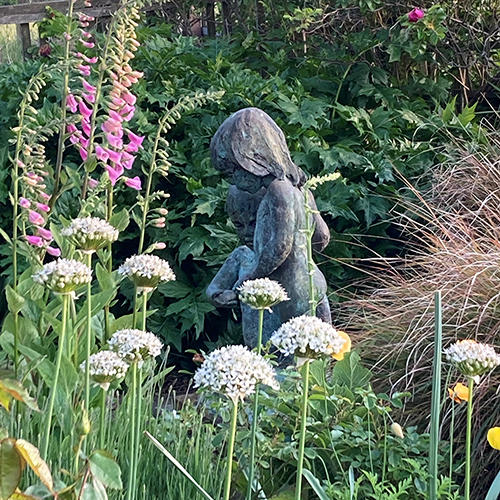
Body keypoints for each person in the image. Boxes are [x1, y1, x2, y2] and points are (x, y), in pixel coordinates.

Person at [208, 107, 331, 347]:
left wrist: (246, 282)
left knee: (277, 360)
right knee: (317, 361)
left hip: (287, 292)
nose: (234, 182)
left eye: (232, 171)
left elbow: (279, 247)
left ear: (252, 159)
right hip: (314, 284)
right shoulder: (301, 189)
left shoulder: (278, 189)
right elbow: (322, 237)